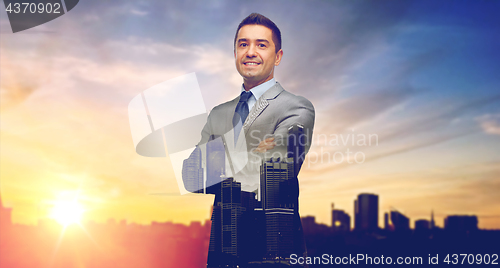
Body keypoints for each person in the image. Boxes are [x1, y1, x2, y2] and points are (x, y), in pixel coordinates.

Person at [183, 13, 315, 267]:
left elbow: (276, 168)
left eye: (261, 45)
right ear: (235, 53)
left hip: (275, 250)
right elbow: (192, 177)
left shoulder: (298, 108)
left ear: (278, 57)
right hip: (223, 249)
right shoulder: (219, 113)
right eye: (243, 44)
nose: (250, 52)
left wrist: (216, 156)